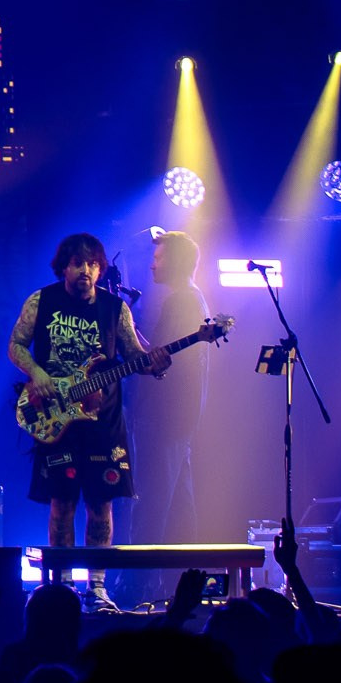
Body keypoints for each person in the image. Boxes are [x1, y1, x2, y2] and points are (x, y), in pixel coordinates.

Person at [9, 232, 168, 609]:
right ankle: (62, 586)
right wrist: (37, 374)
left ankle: (96, 588)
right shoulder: (41, 301)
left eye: (93, 264)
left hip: (103, 422)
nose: (86, 270)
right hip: (56, 416)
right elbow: (15, 344)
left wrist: (155, 365)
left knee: (102, 503)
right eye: (78, 263)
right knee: (61, 502)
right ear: (64, 266)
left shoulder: (115, 309)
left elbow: (135, 355)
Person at [127, 228, 210, 549]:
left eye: (158, 258)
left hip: (164, 419)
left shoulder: (182, 301)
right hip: (180, 420)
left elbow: (159, 359)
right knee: (178, 507)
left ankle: (138, 583)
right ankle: (182, 580)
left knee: (151, 502)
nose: (152, 265)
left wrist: (130, 331)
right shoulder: (193, 298)